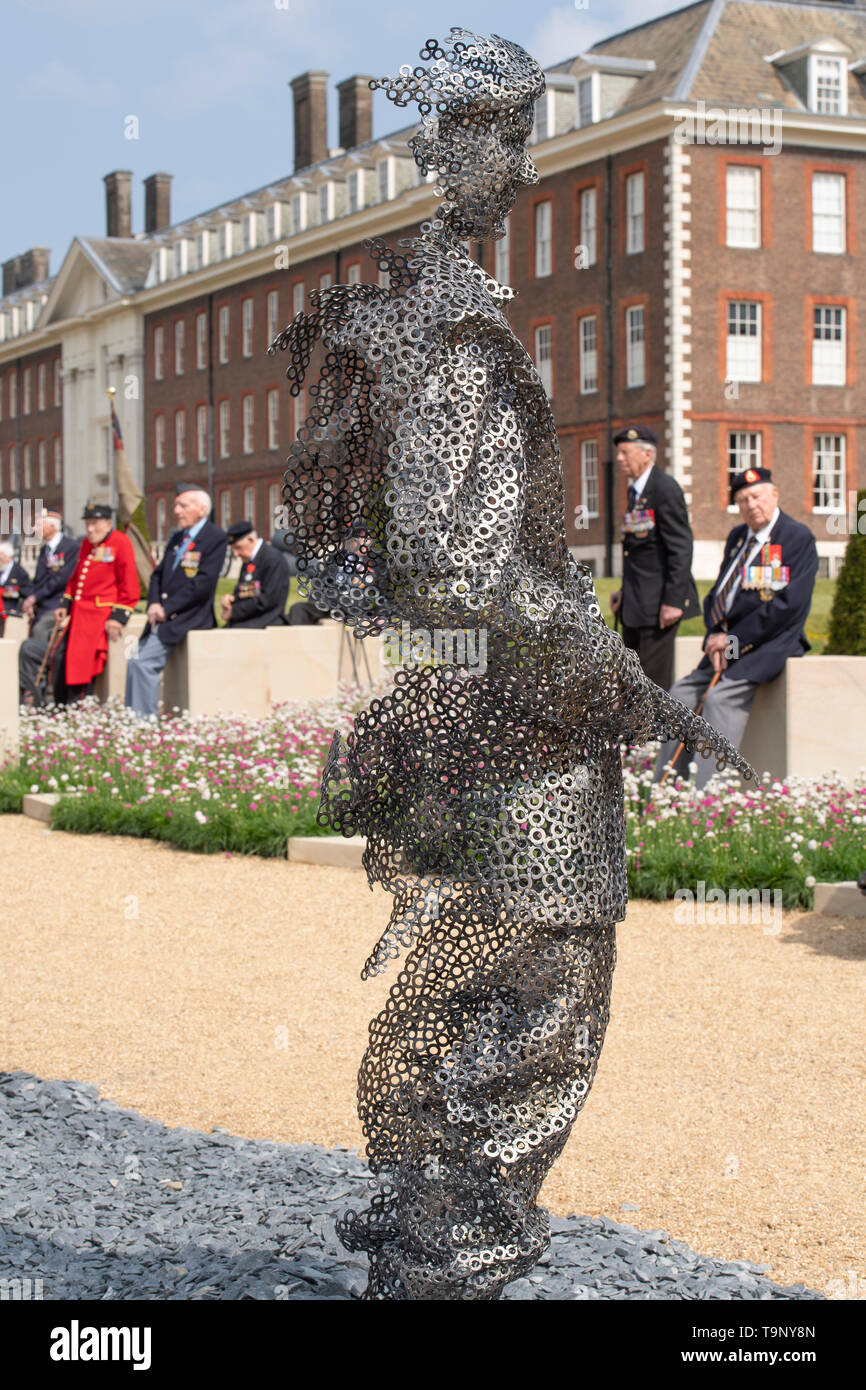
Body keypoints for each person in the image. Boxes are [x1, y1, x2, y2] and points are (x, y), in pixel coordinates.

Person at [272, 26, 754, 1301]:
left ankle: (425, 1260)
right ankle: (445, 1278)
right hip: (528, 780)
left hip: (472, 750)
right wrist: (634, 690)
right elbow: (462, 578)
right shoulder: (461, 336)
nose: (523, 165)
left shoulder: (403, 314)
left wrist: (443, 663)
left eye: (524, 132)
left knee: (438, 1037)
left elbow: (378, 579)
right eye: (501, 134)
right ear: (447, 147)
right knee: (521, 1049)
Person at [655, 466, 819, 789]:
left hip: (767, 644)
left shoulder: (797, 539)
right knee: (680, 695)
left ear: (774, 494)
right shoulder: (737, 538)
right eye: (742, 500)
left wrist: (731, 641)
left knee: (719, 700)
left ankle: (707, 800)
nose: (750, 505)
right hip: (727, 644)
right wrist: (716, 635)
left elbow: (787, 607)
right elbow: (719, 594)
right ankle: (665, 791)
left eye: (756, 496)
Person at [609, 424, 699, 691]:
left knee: (652, 684)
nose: (619, 459)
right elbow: (640, 552)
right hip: (636, 605)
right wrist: (624, 591)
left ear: (647, 454)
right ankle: (636, 733)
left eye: (625, 452)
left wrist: (673, 601)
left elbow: (681, 547)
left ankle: (656, 735)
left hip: (659, 607)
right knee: (632, 681)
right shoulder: (635, 492)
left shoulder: (664, 489)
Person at [125, 483, 226, 717]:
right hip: (163, 616)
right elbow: (158, 574)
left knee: (142, 664)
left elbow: (203, 584)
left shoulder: (214, 537)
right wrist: (153, 603)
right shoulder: (179, 537)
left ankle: (142, 724)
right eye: (175, 505)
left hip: (186, 617)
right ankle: (133, 719)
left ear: (201, 509)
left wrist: (167, 609)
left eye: (183, 505)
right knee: (134, 661)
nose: (176, 511)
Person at [51, 503, 139, 705]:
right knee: (60, 659)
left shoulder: (120, 542)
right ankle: (61, 705)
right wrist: (65, 603)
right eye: (87, 524)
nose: (90, 529)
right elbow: (76, 580)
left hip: (98, 615)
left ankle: (77, 706)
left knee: (83, 665)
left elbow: (130, 585)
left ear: (108, 523)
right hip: (79, 614)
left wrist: (119, 617)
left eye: (95, 523)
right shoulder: (87, 545)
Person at [19, 511, 81, 704]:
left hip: (58, 606)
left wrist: (35, 597)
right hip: (42, 607)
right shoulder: (46, 550)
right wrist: (31, 601)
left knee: (38, 635)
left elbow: (62, 579)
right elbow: (39, 581)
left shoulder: (70, 547)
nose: (35, 528)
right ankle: (33, 688)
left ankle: (37, 692)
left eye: (38, 524)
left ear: (52, 526)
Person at [221, 521, 290, 627]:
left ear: (250, 539)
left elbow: (267, 600)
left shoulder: (272, 559)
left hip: (265, 622)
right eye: (233, 549)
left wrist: (234, 612)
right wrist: (231, 600)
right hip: (249, 620)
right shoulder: (249, 560)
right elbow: (245, 591)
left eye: (238, 547)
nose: (235, 554)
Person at [0, 541, 33, 621]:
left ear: (9, 557)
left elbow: (29, 595)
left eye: (1, 558)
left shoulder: (19, 573)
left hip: (7, 614)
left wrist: (18, 609)